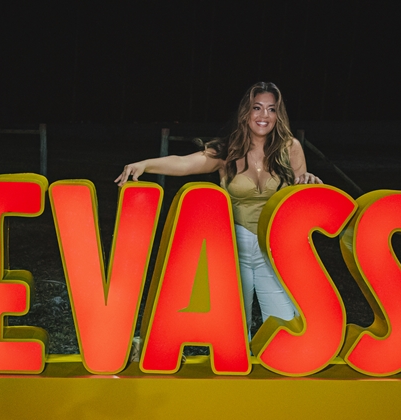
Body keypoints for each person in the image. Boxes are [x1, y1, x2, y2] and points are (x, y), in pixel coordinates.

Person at [115, 82, 322, 334]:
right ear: (246, 112)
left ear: (279, 115)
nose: (264, 115)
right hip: (236, 248)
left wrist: (309, 181)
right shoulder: (228, 149)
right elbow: (184, 164)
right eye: (257, 108)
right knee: (236, 329)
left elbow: (299, 198)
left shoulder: (290, 148)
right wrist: (145, 165)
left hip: (273, 249)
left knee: (285, 327)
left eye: (271, 109)